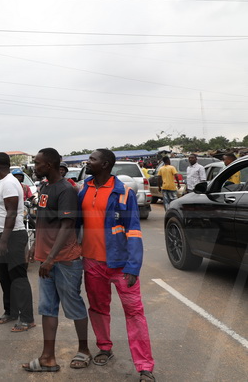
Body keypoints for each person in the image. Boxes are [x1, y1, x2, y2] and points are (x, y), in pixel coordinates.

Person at [78, 149, 155, 382]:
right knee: (99, 308)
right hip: (92, 262)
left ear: (105, 164)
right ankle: (105, 347)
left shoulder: (123, 192)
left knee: (134, 313)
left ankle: (144, 367)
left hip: (121, 265)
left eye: (92, 159)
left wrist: (133, 266)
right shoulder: (84, 189)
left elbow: (133, 229)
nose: (88, 162)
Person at [22, 148, 90, 373]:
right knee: (47, 308)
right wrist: (35, 246)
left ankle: (84, 350)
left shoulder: (65, 190)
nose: (35, 166)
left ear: (49, 165)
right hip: (46, 260)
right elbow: (44, 221)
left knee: (73, 305)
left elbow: (67, 225)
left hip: (64, 260)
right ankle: (47, 358)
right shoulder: (45, 187)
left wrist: (51, 258)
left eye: (38, 163)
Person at [0, 152, 35, 332]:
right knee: (5, 277)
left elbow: (12, 213)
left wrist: (4, 241)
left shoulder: (8, 183)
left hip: (13, 236)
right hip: (5, 235)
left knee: (18, 278)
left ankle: (27, 318)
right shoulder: (6, 182)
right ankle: (10, 312)